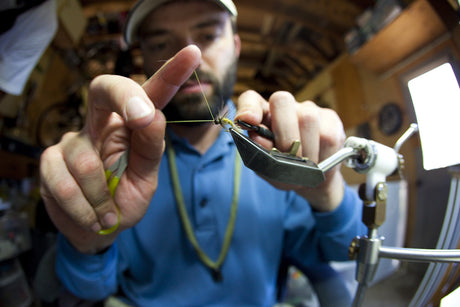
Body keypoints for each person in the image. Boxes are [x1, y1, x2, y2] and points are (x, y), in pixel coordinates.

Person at [39, 0, 366, 305]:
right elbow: (88, 288)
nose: (187, 55)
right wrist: (88, 240)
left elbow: (349, 250)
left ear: (236, 47)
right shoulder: (121, 159)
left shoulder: (278, 151)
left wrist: (327, 186)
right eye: (159, 43)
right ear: (142, 57)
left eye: (208, 35)